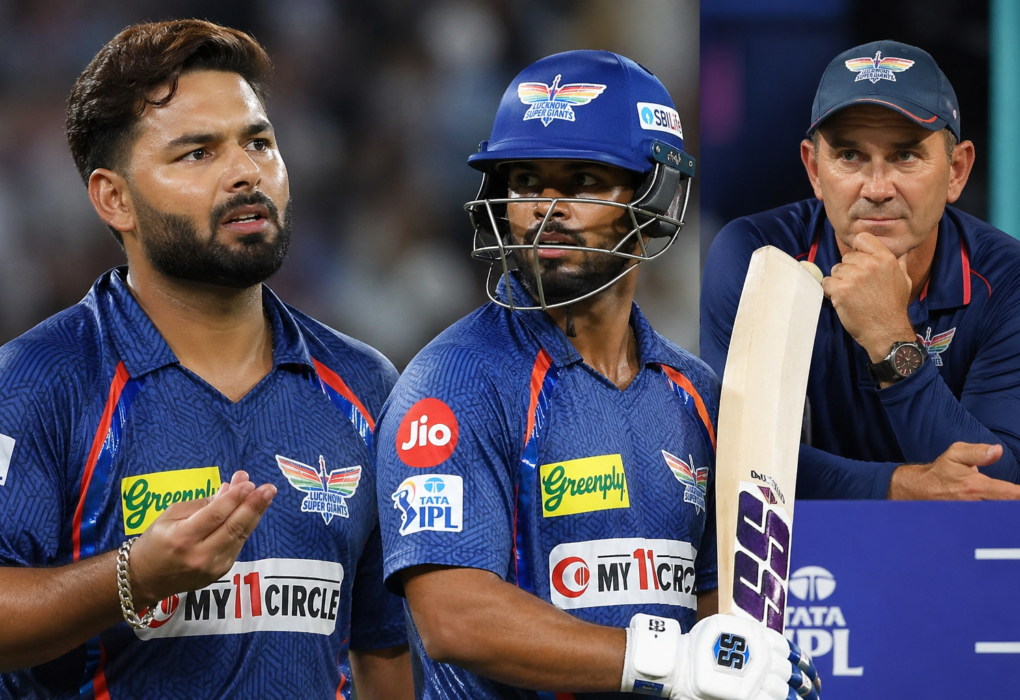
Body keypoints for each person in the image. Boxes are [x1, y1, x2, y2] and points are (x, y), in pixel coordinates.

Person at [374, 50, 820, 700]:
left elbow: (717, 616)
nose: (546, 209)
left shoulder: (700, 399)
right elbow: (454, 618)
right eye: (525, 182)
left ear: (656, 196)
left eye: (582, 181)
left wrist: (748, 666)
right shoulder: (452, 384)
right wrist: (675, 663)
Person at [0, 20, 412, 700]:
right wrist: (133, 576)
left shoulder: (366, 386)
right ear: (114, 198)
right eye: (197, 153)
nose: (246, 172)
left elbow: (381, 648)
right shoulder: (39, 383)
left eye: (258, 142)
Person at [701, 39, 1020, 501]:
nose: (876, 188)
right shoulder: (756, 256)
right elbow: (732, 460)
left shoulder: (1006, 279)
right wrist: (900, 488)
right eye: (849, 156)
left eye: (905, 156)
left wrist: (891, 339)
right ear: (814, 169)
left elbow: (998, 488)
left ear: (956, 170)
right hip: (795, 560)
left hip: (953, 561)